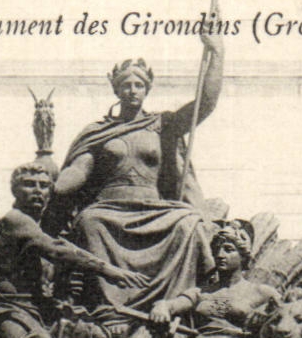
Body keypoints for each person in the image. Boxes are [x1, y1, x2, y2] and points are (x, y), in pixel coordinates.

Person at [49, 27, 225, 315]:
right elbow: (80, 169)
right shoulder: (98, 132)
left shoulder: (163, 124)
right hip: (110, 209)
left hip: (154, 209)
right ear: (116, 89)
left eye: (139, 85)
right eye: (126, 85)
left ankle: (173, 304)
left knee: (187, 223)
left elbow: (205, 104)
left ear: (147, 88)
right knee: (89, 221)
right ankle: (109, 309)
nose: (132, 91)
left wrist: (217, 51)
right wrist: (56, 182)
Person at [0, 161, 151, 338]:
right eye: (29, 184)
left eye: (44, 185)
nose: (37, 190)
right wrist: (109, 270)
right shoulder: (15, 220)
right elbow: (58, 250)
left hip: (40, 309)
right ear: (14, 190)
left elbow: (64, 248)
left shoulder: (38, 227)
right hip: (13, 308)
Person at [146, 219, 282, 338]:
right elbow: (173, 304)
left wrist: (263, 322)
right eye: (217, 249)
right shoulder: (200, 292)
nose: (220, 254)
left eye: (228, 249)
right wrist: (163, 307)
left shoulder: (262, 293)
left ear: (243, 255)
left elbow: (285, 320)